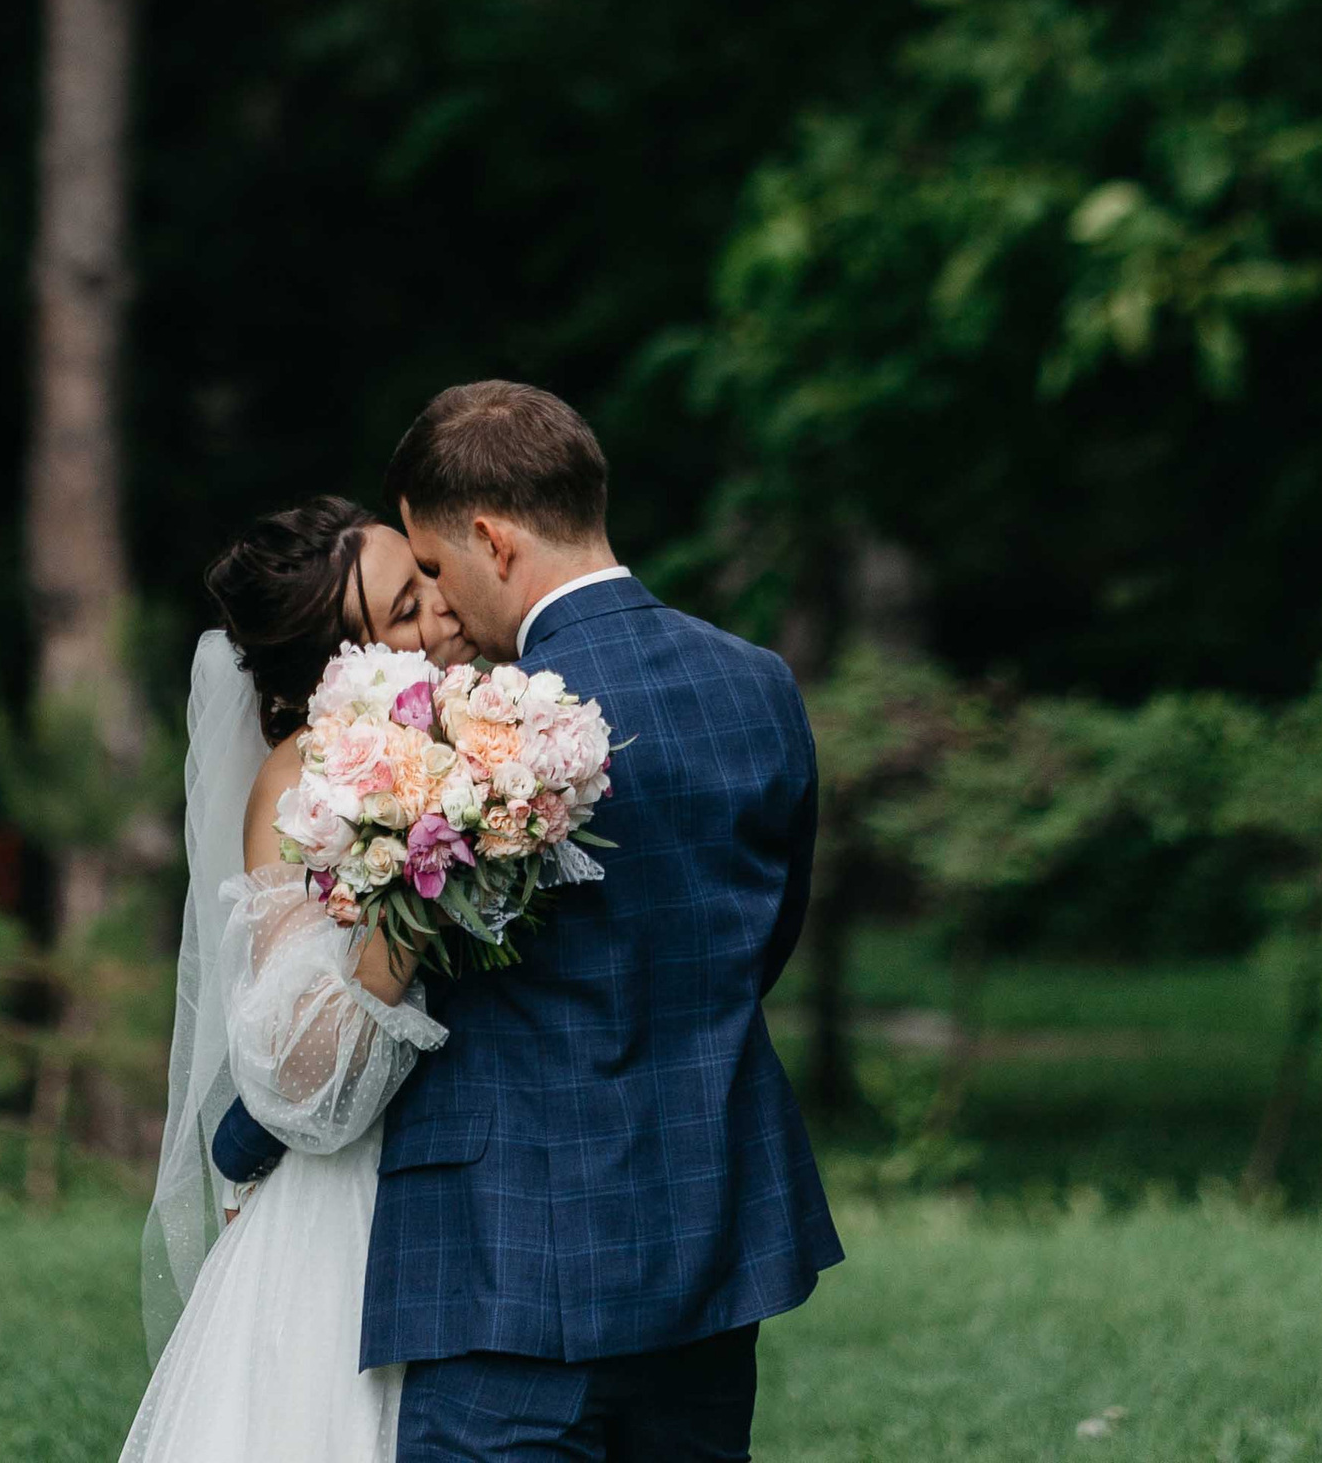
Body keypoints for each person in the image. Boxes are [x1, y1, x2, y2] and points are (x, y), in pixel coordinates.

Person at [195, 380, 842, 1463]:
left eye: (436, 576)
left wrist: (247, 1141)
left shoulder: (469, 737)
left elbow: (396, 985)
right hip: (709, 1237)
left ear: (490, 540)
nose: (440, 614)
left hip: (499, 1261)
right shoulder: (759, 685)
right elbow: (762, 937)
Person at [121, 495, 469, 1463]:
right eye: (405, 610)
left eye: (430, 578)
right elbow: (294, 1072)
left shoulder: (493, 727)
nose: (441, 610)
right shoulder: (302, 780)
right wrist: (423, 862)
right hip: (349, 1211)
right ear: (337, 671)